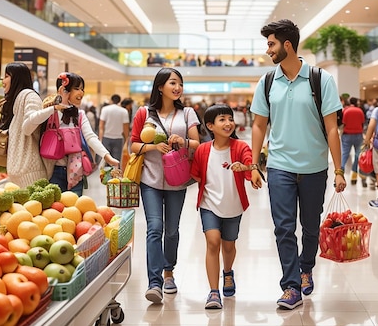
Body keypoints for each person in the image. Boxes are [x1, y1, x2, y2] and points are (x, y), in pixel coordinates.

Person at [250, 19, 346, 310]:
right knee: (283, 227)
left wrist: (339, 170)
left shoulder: (321, 79)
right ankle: (291, 285)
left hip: (314, 167)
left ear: (287, 45)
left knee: (310, 226)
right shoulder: (267, 82)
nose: (268, 50)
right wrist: (255, 164)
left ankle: (306, 267)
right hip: (279, 166)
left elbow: (332, 129)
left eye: (271, 43)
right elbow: (258, 125)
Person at [129, 67, 200, 304]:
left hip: (177, 180)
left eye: (180, 83)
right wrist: (152, 147)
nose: (177, 87)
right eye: (172, 83)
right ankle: (155, 282)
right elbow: (134, 146)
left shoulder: (188, 113)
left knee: (172, 230)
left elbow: (197, 144)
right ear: (160, 87)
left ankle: (169, 271)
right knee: (154, 228)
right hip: (150, 178)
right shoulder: (143, 113)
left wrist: (184, 141)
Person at [190, 104, 258, 309]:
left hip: (233, 206)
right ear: (210, 125)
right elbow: (196, 173)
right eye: (222, 119)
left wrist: (248, 168)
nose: (228, 123)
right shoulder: (203, 149)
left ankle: (228, 272)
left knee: (229, 246)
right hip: (209, 204)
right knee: (213, 242)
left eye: (230, 118)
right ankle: (213, 292)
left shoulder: (240, 147)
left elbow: (249, 162)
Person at [38, 73, 119, 195]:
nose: (81, 92)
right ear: (64, 90)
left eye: (82, 89)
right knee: (55, 211)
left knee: (74, 210)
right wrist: (58, 105)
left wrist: (107, 156)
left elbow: (91, 137)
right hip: (52, 171)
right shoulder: (50, 112)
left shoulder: (79, 115)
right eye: (77, 88)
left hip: (75, 172)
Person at [0, 63, 49, 188]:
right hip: (19, 173)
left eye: (6, 76)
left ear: (16, 78)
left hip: (30, 174)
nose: (3, 81)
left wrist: (52, 109)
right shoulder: (17, 100)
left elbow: (28, 128)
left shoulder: (30, 96)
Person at [341, 97, 366, 186]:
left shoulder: (346, 111)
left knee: (344, 154)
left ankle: (340, 173)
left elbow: (343, 123)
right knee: (357, 155)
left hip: (347, 135)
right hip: (358, 135)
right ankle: (354, 175)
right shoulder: (360, 111)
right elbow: (363, 123)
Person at [99, 94, 129, 162]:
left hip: (106, 138)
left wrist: (100, 139)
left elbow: (101, 126)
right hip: (118, 138)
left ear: (111, 100)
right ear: (119, 101)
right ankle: (115, 172)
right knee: (116, 161)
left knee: (105, 161)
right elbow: (125, 128)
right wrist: (126, 140)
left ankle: (104, 172)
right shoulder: (124, 111)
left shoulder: (105, 109)